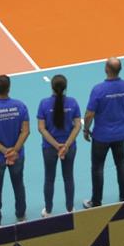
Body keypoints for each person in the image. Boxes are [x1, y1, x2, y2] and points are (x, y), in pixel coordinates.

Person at [83, 57, 124, 208]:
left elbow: (89, 114)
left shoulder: (98, 89)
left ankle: (96, 201)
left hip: (101, 137)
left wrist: (86, 129)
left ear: (106, 69)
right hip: (121, 135)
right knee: (121, 164)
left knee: (98, 168)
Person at [0, 74, 29, 227]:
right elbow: (25, 131)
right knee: (18, 184)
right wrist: (14, 151)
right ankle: (21, 216)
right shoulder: (20, 106)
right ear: (9, 88)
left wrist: (4, 151)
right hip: (17, 155)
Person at [37, 74, 81, 217]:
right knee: (69, 177)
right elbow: (77, 126)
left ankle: (48, 210)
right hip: (69, 148)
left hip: (49, 148)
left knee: (49, 178)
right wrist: (66, 145)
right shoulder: (73, 103)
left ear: (52, 87)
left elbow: (41, 128)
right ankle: (70, 209)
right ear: (66, 87)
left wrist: (56, 145)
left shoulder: (44, 104)